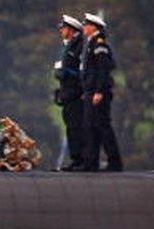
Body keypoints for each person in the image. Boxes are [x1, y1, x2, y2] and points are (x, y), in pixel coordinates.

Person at [80, 13, 123, 172]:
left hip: (99, 93)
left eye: (86, 25)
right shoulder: (91, 43)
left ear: (93, 27)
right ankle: (91, 162)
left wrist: (98, 91)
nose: (84, 28)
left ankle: (114, 162)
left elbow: (103, 69)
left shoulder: (99, 45)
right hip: (91, 91)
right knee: (91, 127)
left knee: (103, 126)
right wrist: (88, 90)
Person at [55, 15, 85, 172]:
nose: (61, 30)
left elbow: (83, 71)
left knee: (77, 126)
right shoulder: (68, 46)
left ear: (72, 30)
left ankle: (81, 159)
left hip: (76, 93)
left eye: (64, 28)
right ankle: (76, 159)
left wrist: (67, 73)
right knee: (71, 127)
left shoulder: (79, 46)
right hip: (67, 92)